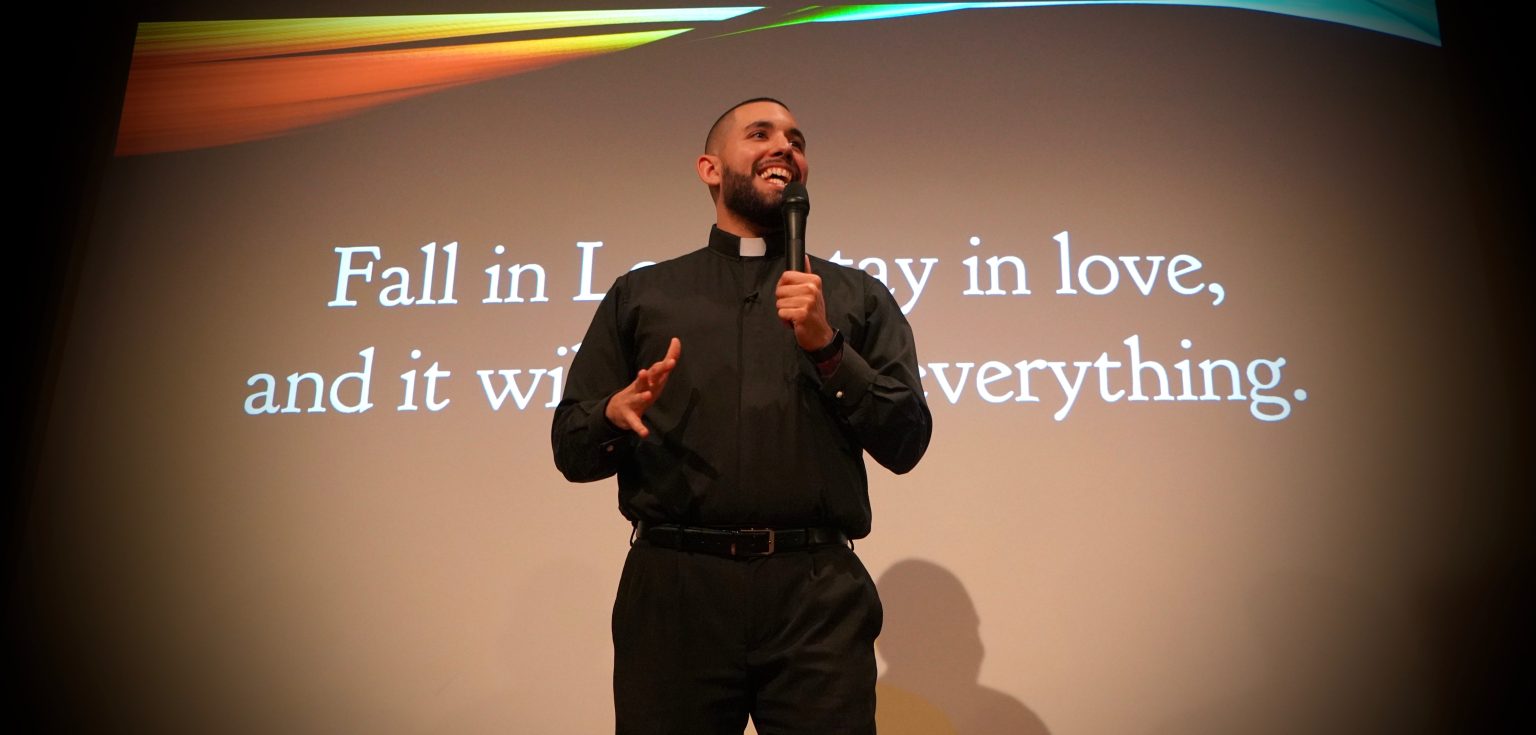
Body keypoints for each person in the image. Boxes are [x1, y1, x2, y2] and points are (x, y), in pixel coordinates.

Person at [551, 97, 932, 734]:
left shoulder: (856, 297)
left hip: (816, 595)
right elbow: (570, 447)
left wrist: (828, 346)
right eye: (761, 134)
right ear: (709, 168)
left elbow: (907, 440)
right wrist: (613, 416)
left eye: (796, 138)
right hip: (674, 592)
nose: (785, 146)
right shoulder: (642, 295)